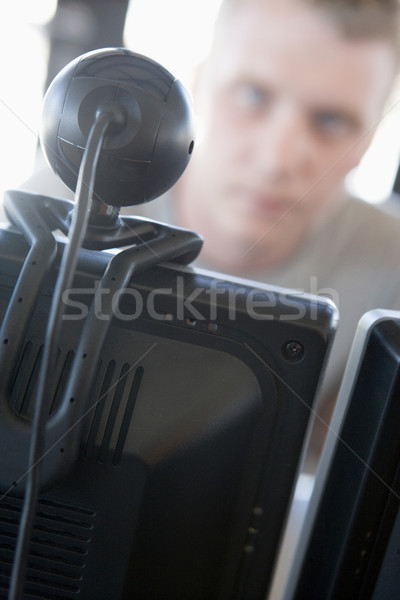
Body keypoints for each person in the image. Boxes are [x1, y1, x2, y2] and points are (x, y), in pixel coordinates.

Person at [11, 0, 400, 464]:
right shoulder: (60, 207)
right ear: (198, 83)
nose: (278, 157)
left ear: (370, 143)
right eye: (253, 95)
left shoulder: (390, 272)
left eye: (332, 121)